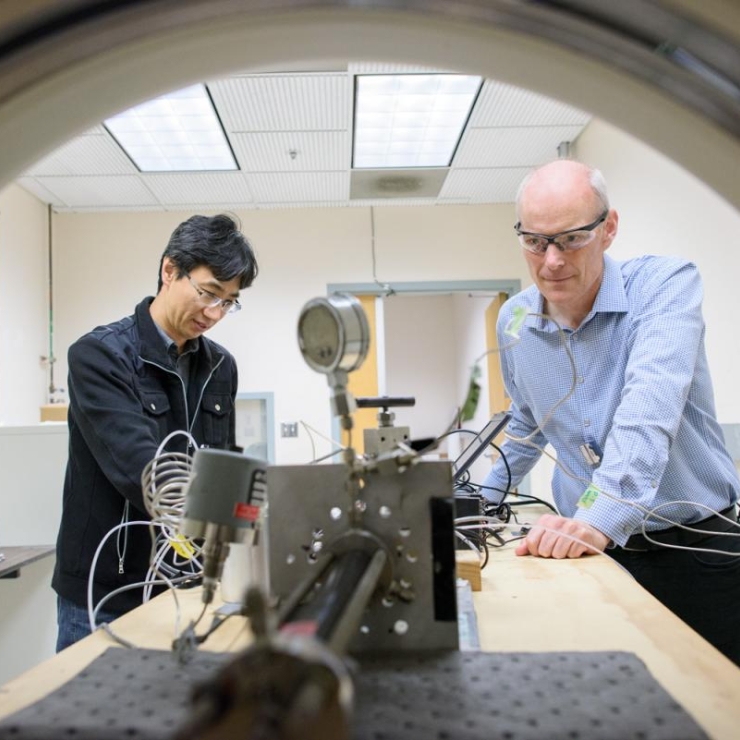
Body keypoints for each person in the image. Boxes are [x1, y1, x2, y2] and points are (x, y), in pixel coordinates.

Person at [482, 159, 740, 665]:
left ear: (609, 228)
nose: (551, 260)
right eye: (535, 241)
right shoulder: (515, 319)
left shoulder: (665, 286)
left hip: (698, 550)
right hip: (592, 550)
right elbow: (525, 426)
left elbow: (648, 409)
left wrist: (600, 516)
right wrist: (470, 501)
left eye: (571, 238)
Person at [51, 213, 258, 651]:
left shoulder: (221, 366)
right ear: (169, 271)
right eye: (208, 293)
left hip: (186, 585)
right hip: (106, 590)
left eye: (229, 302)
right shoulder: (99, 357)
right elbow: (143, 469)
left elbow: (224, 465)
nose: (215, 313)